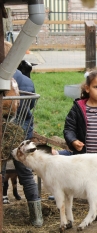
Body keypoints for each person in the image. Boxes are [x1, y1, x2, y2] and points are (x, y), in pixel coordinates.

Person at [2, 41, 43, 227]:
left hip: (3, 135)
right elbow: (31, 106)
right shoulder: (26, 80)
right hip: (22, 134)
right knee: (26, 172)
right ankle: (37, 217)